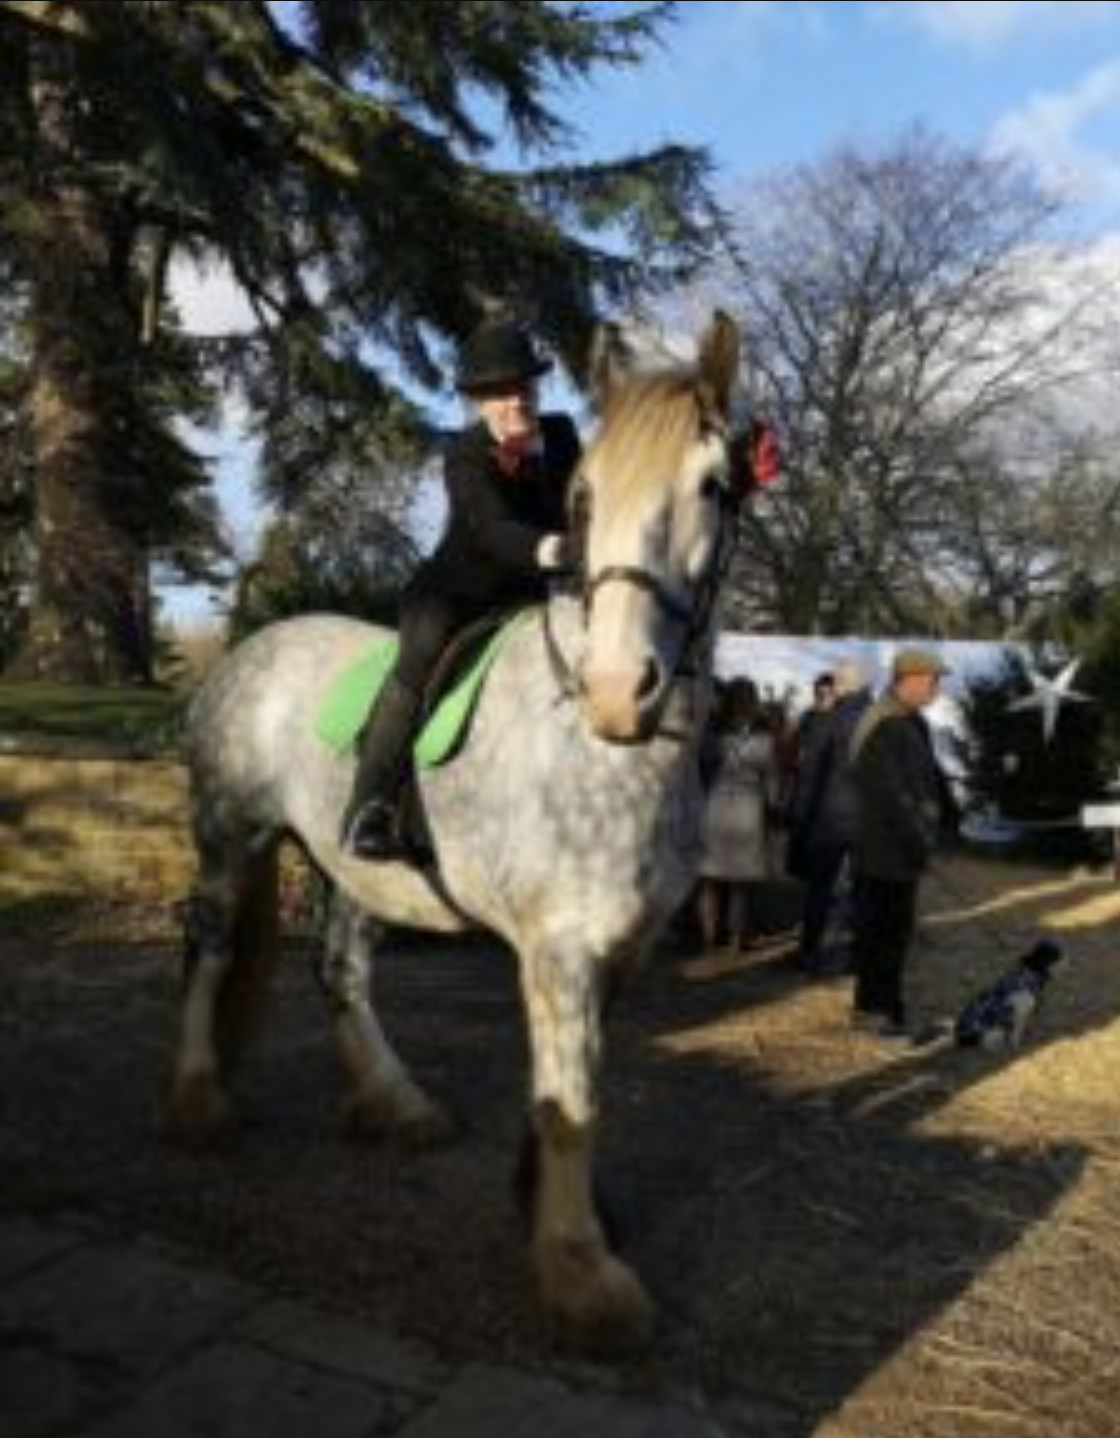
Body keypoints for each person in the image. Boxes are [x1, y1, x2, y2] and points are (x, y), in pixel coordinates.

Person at [340, 318, 581, 859]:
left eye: (522, 387)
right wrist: (561, 550)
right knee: (417, 658)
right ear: (478, 401)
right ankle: (370, 807)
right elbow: (492, 531)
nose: (514, 400)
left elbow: (590, 499)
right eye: (498, 392)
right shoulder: (464, 453)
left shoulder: (563, 434)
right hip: (457, 593)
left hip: (537, 596)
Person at [847, 648, 947, 1038]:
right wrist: (919, 840)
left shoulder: (910, 720)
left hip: (901, 851)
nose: (937, 688)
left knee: (896, 934)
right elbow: (891, 796)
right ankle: (872, 1013)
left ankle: (888, 1009)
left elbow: (928, 780)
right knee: (880, 936)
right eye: (933, 680)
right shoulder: (883, 724)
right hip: (882, 851)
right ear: (910, 679)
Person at [787, 660, 872, 974]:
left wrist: (799, 814)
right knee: (864, 890)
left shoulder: (829, 719)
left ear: (842, 686)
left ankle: (809, 952)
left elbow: (811, 773)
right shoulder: (882, 719)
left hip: (829, 818)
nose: (832, 688)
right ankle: (860, 955)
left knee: (819, 889)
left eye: (835, 683)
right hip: (869, 819)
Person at [695, 676, 781, 951]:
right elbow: (772, 781)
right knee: (740, 885)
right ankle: (736, 939)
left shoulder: (709, 736)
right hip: (748, 813)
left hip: (713, 810)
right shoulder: (764, 742)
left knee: (709, 881)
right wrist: (774, 805)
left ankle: (709, 938)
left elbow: (700, 772)